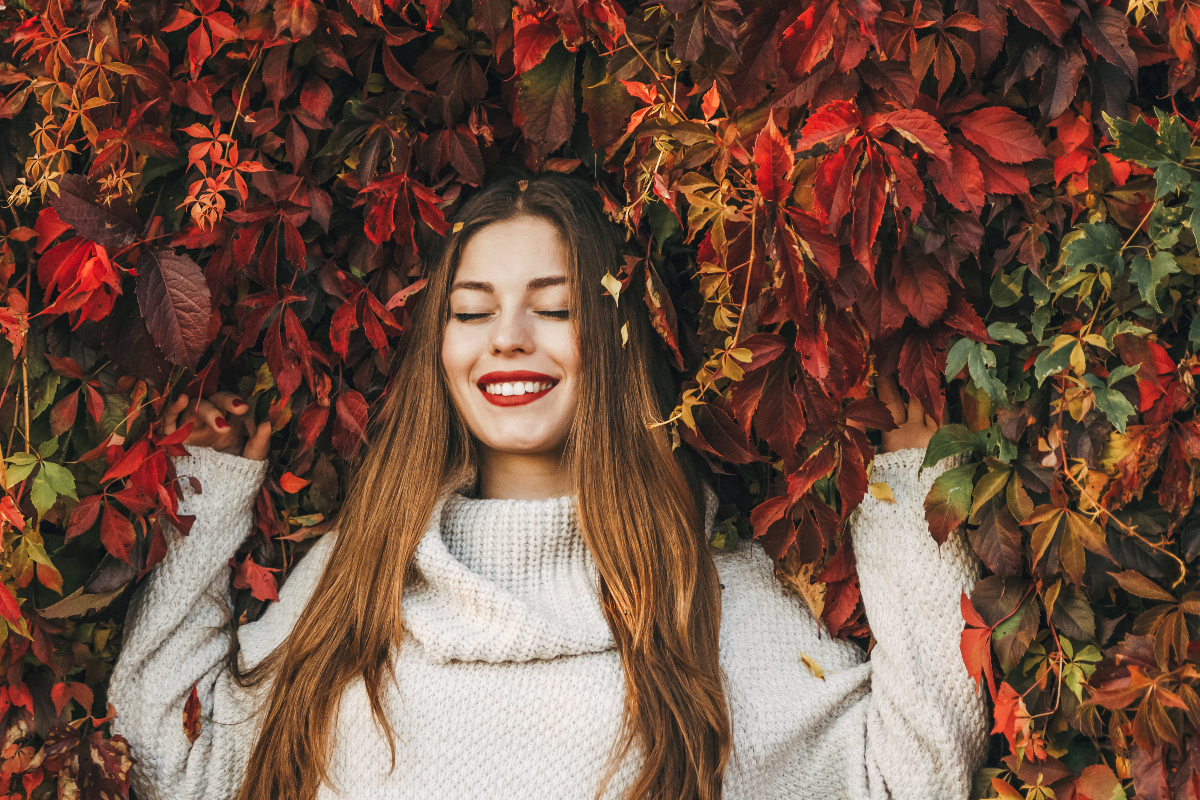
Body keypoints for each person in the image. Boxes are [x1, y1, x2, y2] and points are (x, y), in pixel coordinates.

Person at [108, 173, 989, 800]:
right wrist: (204, 497)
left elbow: (913, 778)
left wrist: (907, 491)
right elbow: (170, 757)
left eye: (555, 307)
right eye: (473, 310)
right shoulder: (359, 577)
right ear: (440, 349)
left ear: (611, 338)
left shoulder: (705, 597)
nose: (509, 338)